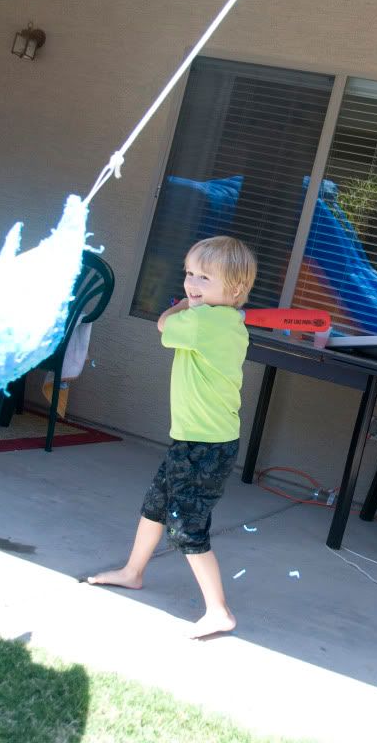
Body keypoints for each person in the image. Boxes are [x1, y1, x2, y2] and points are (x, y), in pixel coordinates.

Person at [88, 236, 257, 638]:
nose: (192, 283)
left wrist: (181, 305)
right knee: (156, 506)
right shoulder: (227, 320)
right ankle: (133, 571)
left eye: (204, 278)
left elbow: (163, 324)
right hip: (198, 440)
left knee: (185, 526)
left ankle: (219, 611)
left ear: (235, 288)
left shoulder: (202, 321)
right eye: (190, 274)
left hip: (204, 445)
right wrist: (194, 303)